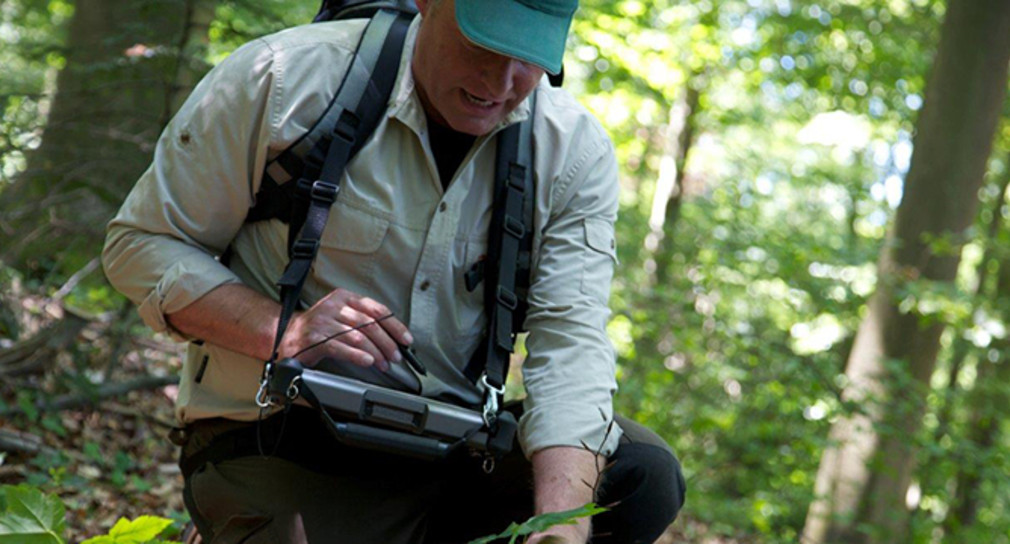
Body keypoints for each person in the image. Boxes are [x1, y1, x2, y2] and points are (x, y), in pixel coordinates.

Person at [102, 0, 686, 542]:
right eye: (482, 46)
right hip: (275, 436)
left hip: (455, 453)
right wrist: (288, 331)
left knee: (641, 475)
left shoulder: (571, 153)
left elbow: (572, 346)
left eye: (529, 59)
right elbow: (142, 243)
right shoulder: (286, 79)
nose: (500, 83)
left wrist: (560, 526)